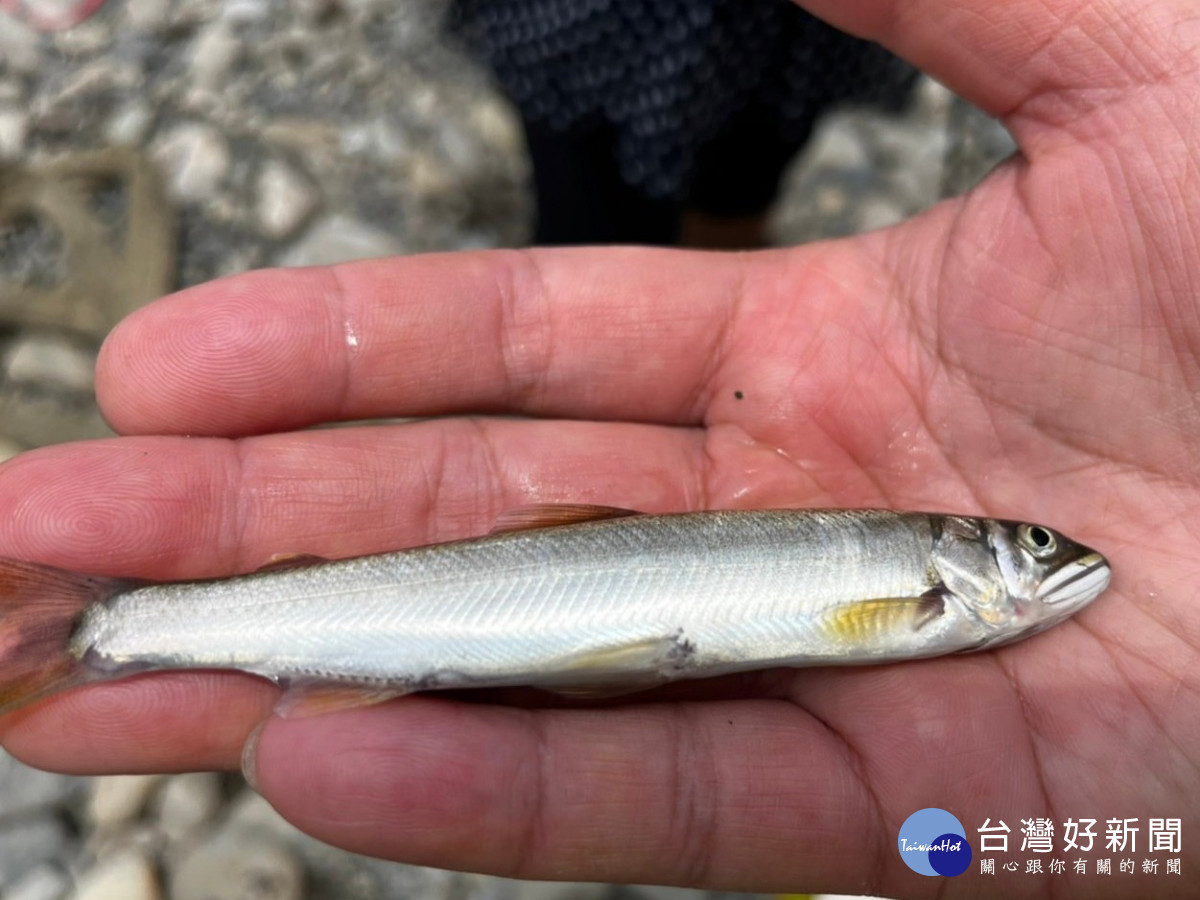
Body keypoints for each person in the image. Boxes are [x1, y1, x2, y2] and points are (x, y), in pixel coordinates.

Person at [1, 0, 1197, 895]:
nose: (1050, 562)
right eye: (1028, 548)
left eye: (1032, 548)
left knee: (724, 156)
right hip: (587, 33)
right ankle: (109, 629)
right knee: (601, 172)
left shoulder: (944, 586)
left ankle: (111, 630)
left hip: (740, 62)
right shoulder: (923, 578)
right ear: (965, 559)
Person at [448, 0, 915, 247]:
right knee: (585, 212)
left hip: (782, 39)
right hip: (590, 32)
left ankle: (725, 275)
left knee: (747, 171)